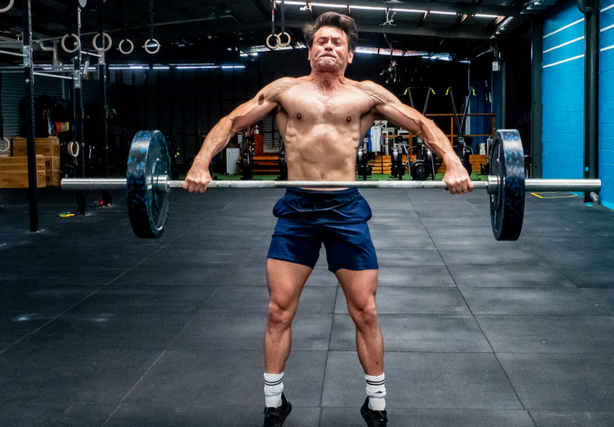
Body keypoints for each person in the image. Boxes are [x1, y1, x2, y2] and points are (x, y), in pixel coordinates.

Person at [183, 11, 473, 427]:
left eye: (337, 42)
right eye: (321, 41)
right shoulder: (286, 90)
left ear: (350, 54)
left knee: (366, 311)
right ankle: (273, 403)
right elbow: (232, 121)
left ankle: (376, 405)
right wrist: (200, 162)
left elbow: (422, 123)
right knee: (278, 310)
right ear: (310, 50)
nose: (329, 46)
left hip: (345, 210)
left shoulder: (366, 95)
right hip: (297, 209)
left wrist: (452, 161)